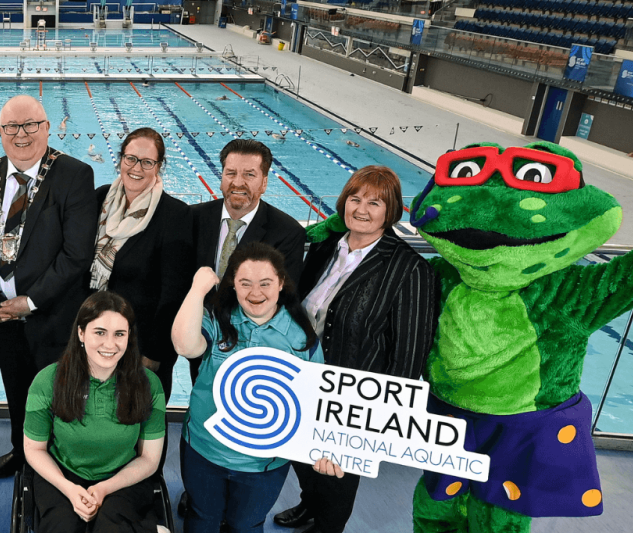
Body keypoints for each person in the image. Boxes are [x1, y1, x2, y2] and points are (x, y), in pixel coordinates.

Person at [272, 166, 441, 533]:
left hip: (353, 397)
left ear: (390, 210)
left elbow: (408, 355)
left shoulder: (409, 269)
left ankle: (326, 526)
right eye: (355, 198)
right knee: (300, 455)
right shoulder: (321, 249)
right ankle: (308, 504)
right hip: (300, 380)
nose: (361, 209)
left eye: (374, 202)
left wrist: (378, 416)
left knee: (338, 475)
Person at [0, 94, 97, 480]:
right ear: (0, 133)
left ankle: (60, 465)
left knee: (58, 397)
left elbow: (76, 255)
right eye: (11, 127)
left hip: (52, 317)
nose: (21, 135)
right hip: (1, 317)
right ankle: (22, 453)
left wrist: (32, 301)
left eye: (30, 125)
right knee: (15, 391)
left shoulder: (74, 174)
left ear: (47, 127)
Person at [172, 243, 322, 533]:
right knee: (202, 518)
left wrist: (324, 450)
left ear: (281, 283)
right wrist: (197, 289)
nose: (255, 293)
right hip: (205, 450)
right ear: (233, 285)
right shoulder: (217, 320)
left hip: (264, 464)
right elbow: (184, 345)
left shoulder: (302, 338)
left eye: (265, 283)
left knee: (246, 524)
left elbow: (315, 404)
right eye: (245, 283)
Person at [24, 291, 166, 533]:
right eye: (99, 332)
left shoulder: (149, 384)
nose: (110, 344)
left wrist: (104, 488)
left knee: (111, 527)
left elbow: (149, 459)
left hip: (123, 477)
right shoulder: (47, 381)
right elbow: (34, 449)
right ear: (81, 333)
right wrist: (68, 488)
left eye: (119, 334)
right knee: (62, 527)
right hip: (63, 474)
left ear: (129, 337)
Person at [88, 127, 195, 405]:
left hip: (142, 346)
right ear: (120, 159)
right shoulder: (100, 199)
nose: (137, 168)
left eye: (147, 162)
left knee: (142, 425)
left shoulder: (175, 215)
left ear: (159, 166)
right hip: (95, 339)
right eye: (131, 159)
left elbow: (173, 294)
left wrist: (153, 354)